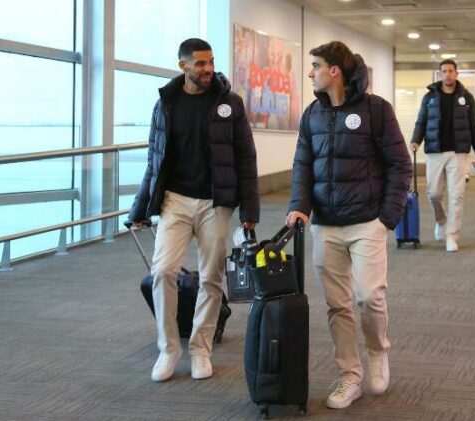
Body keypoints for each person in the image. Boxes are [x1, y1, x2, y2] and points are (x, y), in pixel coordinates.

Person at [285, 41, 411, 410]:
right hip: (325, 225)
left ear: (334, 71)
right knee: (337, 305)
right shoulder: (312, 115)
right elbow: (302, 167)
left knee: (369, 296)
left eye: (316, 66)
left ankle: (377, 351)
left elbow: (400, 165)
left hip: (366, 223)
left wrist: (386, 218)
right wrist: (298, 208)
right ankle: (350, 374)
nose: (311, 73)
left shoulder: (376, 110)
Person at [128, 38, 259, 383]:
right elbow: (154, 160)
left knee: (212, 276)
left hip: (217, 203)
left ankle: (201, 348)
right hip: (175, 200)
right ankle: (169, 348)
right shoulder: (166, 103)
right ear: (183, 65)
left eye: (211, 62)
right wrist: (141, 206)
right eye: (200, 64)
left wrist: (251, 208)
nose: (208, 69)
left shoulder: (229, 103)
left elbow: (246, 157)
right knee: (163, 271)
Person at [410, 59, 475, 253]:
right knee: (434, 193)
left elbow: (474, 127)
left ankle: (452, 236)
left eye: (451, 71)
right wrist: (415, 140)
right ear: (440, 74)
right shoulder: (429, 98)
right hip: (435, 152)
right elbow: (421, 121)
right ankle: (441, 222)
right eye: (444, 71)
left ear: (456, 73)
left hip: (459, 153)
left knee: (456, 196)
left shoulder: (466, 98)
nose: (448, 75)